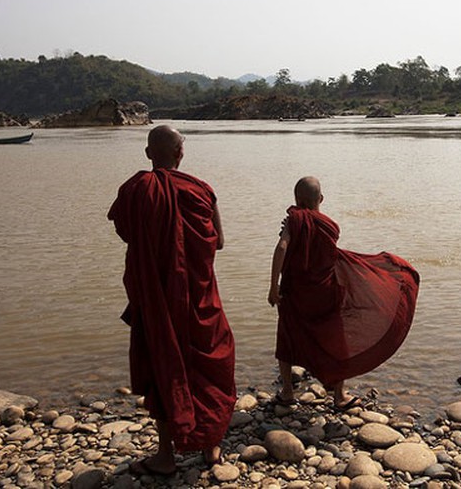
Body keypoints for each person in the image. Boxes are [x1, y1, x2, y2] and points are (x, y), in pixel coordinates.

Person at [108, 125, 236, 475]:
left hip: (157, 300)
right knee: (211, 363)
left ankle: (165, 456)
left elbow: (127, 233)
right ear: (181, 153)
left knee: (164, 365)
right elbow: (219, 241)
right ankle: (211, 447)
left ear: (149, 154)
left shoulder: (136, 191)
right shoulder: (202, 190)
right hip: (199, 299)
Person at [268, 176, 420, 410]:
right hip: (326, 290)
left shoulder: (294, 220)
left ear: (296, 200)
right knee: (335, 338)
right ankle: (339, 396)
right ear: (321, 199)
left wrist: (273, 286)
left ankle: (288, 393)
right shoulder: (328, 225)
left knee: (287, 338)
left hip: (295, 291)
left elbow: (282, 247)